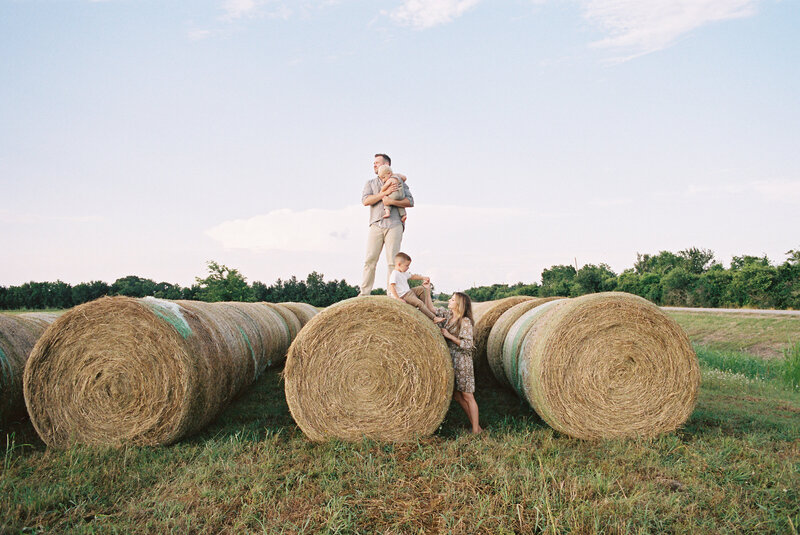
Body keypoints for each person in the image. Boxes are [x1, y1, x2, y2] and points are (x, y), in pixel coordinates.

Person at [359, 153, 414, 296]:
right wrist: (385, 194)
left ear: (387, 165)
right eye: (374, 163)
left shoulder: (399, 180)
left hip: (395, 224)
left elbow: (410, 202)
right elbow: (366, 201)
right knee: (370, 260)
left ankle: (391, 294)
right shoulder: (370, 183)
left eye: (377, 163)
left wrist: (392, 202)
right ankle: (364, 293)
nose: (374, 165)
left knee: (392, 262)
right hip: (376, 224)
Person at [439, 292, 482, 434]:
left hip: (462, 361)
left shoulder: (465, 321)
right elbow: (430, 308)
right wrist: (427, 290)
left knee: (468, 395)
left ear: (459, 304)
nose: (449, 301)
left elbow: (468, 344)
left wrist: (449, 336)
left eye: (452, 299)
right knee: (457, 395)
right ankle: (477, 427)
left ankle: (476, 429)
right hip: (451, 359)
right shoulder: (449, 317)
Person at [388, 252, 444, 323]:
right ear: (399, 264)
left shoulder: (403, 273)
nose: (408, 268)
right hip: (404, 295)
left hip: (409, 292)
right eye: (407, 265)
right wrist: (397, 298)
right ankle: (434, 318)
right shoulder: (394, 274)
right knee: (419, 303)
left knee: (421, 289)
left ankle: (425, 309)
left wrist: (423, 278)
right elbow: (392, 287)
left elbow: (413, 276)